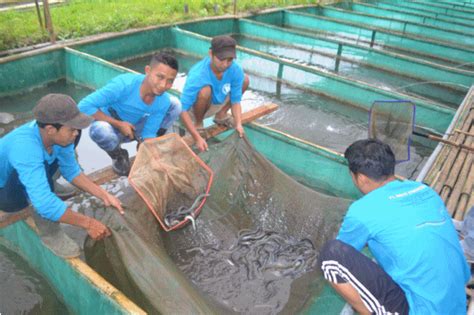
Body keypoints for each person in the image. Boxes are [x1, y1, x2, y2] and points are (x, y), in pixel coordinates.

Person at [319, 139, 469, 314]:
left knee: (331, 255)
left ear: (360, 178)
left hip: (424, 310)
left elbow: (345, 251)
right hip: (454, 299)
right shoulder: (424, 190)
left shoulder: (362, 210)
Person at [0, 94, 123, 256]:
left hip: (33, 170)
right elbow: (44, 204)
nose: (76, 133)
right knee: (42, 196)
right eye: (72, 129)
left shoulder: (56, 135)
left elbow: (71, 170)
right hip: (6, 194)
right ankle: (50, 233)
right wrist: (89, 223)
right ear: (50, 129)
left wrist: (104, 195)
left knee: (67, 144)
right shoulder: (25, 148)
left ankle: (46, 185)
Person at [78, 52, 181, 176]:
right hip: (111, 125)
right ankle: (118, 155)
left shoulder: (162, 101)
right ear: (148, 70)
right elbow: (83, 106)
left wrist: (146, 148)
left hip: (134, 128)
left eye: (170, 81)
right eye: (160, 76)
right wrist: (118, 124)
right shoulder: (123, 85)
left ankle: (151, 145)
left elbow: (149, 133)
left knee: (175, 105)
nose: (164, 85)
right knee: (100, 131)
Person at [180, 35, 250, 152]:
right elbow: (182, 110)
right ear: (211, 54)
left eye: (230, 60)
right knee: (205, 90)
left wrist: (238, 123)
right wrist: (196, 138)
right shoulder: (198, 74)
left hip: (218, 103)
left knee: (245, 80)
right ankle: (198, 124)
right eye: (221, 59)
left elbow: (236, 101)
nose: (225, 64)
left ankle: (221, 115)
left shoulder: (235, 69)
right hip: (197, 107)